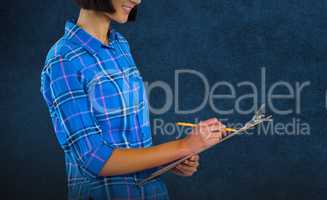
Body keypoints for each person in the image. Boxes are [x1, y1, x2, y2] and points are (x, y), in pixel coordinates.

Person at [40, 0, 226, 199]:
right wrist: (184, 146)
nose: (137, 0)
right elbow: (94, 159)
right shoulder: (63, 60)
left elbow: (128, 141)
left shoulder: (119, 45)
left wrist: (171, 159)